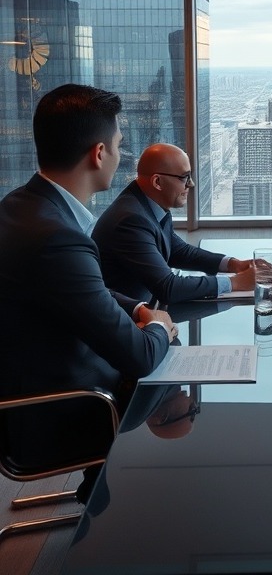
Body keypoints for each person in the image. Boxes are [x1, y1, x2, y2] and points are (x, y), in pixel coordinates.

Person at [0, 84, 176, 488]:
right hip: (58, 411)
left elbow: (78, 287)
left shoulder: (21, 207)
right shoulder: (56, 237)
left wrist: (136, 310)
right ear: (99, 154)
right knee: (165, 375)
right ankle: (111, 512)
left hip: (27, 389)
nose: (121, 154)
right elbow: (139, 357)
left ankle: (102, 496)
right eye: (118, 144)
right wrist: (158, 326)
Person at [92, 143, 255, 305]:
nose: (191, 184)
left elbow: (178, 251)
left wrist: (235, 264)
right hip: (129, 321)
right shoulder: (130, 220)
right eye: (184, 177)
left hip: (147, 308)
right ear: (157, 182)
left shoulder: (149, 204)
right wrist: (235, 282)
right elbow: (168, 288)